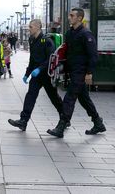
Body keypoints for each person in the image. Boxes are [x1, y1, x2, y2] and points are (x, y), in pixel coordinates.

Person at [47, 8, 106, 138]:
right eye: (70, 15)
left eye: (72, 15)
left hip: (81, 71)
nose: (69, 17)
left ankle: (61, 126)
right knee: (84, 98)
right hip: (72, 71)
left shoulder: (86, 34)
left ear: (79, 18)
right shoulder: (70, 33)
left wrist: (89, 73)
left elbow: (93, 55)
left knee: (70, 97)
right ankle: (98, 122)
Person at [8, 19, 65, 131]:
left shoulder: (47, 41)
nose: (29, 29)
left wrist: (39, 69)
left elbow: (50, 58)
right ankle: (23, 121)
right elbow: (32, 59)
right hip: (36, 75)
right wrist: (27, 73)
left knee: (54, 98)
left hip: (46, 74)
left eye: (31, 27)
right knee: (30, 96)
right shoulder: (32, 40)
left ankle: (65, 118)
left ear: (38, 27)